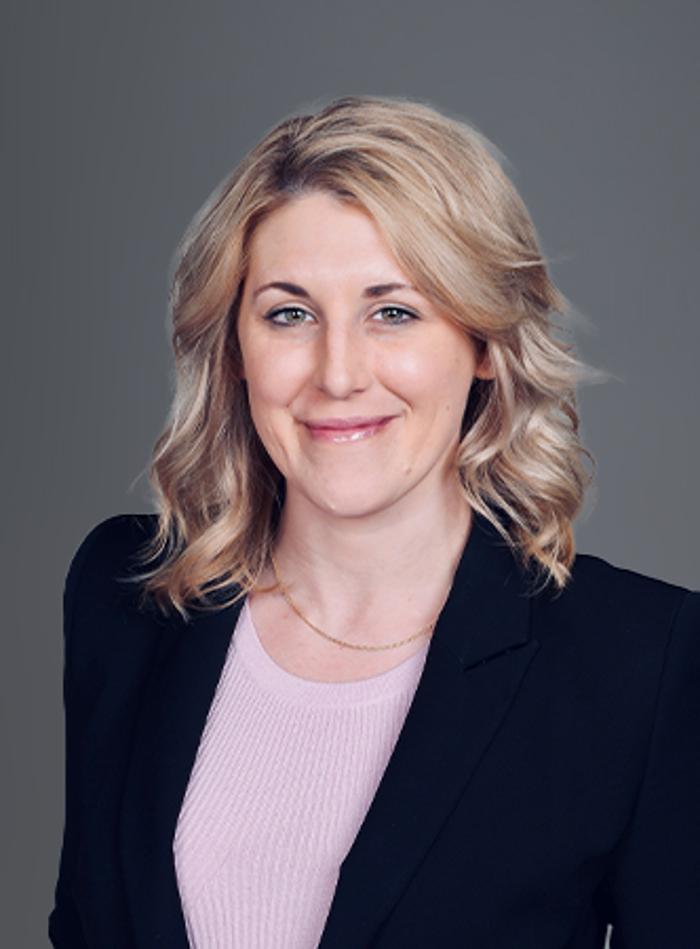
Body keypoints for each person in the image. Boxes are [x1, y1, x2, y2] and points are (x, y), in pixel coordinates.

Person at [48, 95, 699, 949]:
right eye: (289, 313)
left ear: (484, 343)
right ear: (234, 349)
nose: (339, 373)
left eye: (394, 311)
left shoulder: (643, 661)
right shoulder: (124, 595)